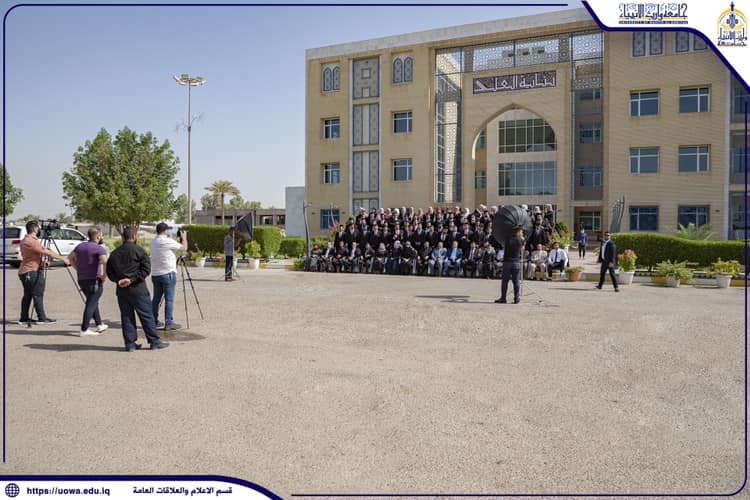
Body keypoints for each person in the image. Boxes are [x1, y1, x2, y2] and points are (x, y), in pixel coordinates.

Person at [106, 226, 169, 351]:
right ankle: (154, 341)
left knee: (127, 317)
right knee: (146, 316)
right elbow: (146, 270)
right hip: (138, 289)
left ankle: (130, 344)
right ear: (134, 236)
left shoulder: (114, 253)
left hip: (122, 290)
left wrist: (118, 280)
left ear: (123, 237)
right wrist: (132, 280)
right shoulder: (139, 251)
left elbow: (109, 272)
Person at [16, 220, 70, 325]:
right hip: (31, 271)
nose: (40, 230)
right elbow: (46, 252)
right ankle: (42, 318)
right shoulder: (31, 241)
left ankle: (24, 318)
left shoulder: (26, 240)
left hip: (26, 271)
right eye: (38, 228)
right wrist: (63, 259)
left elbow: (38, 253)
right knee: (37, 294)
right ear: (35, 229)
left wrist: (44, 260)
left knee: (28, 295)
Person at [68, 226, 108, 336]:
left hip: (82, 279)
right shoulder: (99, 248)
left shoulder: (80, 246)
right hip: (94, 280)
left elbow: (70, 258)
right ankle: (84, 329)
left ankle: (99, 324)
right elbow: (105, 262)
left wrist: (77, 268)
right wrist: (104, 276)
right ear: (98, 236)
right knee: (91, 303)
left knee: (92, 301)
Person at [150, 222, 188, 330]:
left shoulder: (153, 242)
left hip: (156, 274)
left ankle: (153, 321)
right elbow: (184, 248)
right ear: (165, 230)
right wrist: (184, 238)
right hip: (168, 274)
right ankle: (169, 322)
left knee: (156, 299)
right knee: (169, 299)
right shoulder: (168, 241)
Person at [496, 226, 524, 304]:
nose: (522, 233)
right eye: (521, 232)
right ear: (518, 232)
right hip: (516, 263)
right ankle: (516, 298)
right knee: (516, 281)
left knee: (505, 281)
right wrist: (522, 239)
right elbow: (522, 247)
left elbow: (504, 244)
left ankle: (503, 298)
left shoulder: (508, 239)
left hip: (507, 262)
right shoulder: (520, 240)